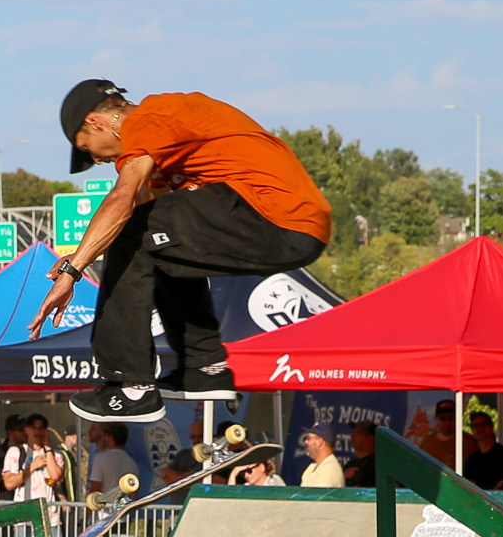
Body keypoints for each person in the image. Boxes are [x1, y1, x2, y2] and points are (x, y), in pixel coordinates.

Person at [33, 79, 330, 423]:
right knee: (158, 245)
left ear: (96, 122)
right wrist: (85, 254)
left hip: (275, 215)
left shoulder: (149, 119)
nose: (97, 160)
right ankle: (204, 367)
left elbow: (122, 203)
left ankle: (130, 386)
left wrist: (72, 273)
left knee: (134, 230)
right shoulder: (164, 145)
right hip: (293, 227)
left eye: (89, 150)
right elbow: (154, 229)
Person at [3, 416, 63, 502]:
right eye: (33, 427)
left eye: (41, 428)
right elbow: (9, 483)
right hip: (25, 510)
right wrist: (34, 466)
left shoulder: (55, 455)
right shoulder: (16, 452)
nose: (37, 432)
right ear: (26, 430)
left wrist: (48, 448)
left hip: (50, 510)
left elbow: (55, 476)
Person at [86, 423, 140, 496]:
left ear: (110, 437)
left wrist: (90, 505)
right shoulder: (132, 463)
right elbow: (133, 494)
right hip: (124, 506)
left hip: (105, 506)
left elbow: (95, 490)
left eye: (105, 435)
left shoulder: (101, 459)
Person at [463, 411, 503, 491]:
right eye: (475, 426)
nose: (479, 429)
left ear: (491, 427)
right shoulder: (473, 459)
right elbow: (469, 483)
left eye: (483, 425)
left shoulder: (502, 454)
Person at [417, 399, 461, 467]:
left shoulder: (468, 442)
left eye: (451, 418)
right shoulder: (426, 443)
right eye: (443, 418)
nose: (447, 422)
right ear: (436, 419)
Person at [299, 424, 345, 488]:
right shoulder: (312, 467)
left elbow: (318, 497)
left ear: (319, 442)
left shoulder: (329, 469)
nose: (306, 441)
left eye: (309, 438)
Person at [342, 421, 380, 487]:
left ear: (371, 437)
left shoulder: (379, 464)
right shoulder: (350, 464)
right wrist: (342, 478)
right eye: (353, 433)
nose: (352, 436)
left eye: (358, 433)